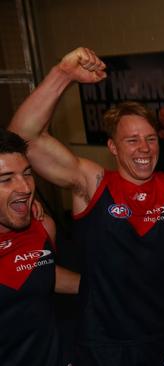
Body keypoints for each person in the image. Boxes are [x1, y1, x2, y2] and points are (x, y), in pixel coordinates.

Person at [9, 47, 164, 366]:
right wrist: (63, 74)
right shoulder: (92, 183)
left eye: (150, 139)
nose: (144, 148)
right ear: (113, 147)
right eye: (132, 140)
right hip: (102, 340)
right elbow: (23, 137)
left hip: (158, 334)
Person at [0, 128, 80, 366]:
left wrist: (103, 285)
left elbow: (39, 273)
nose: (25, 188)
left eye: (27, 174)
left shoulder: (42, 226)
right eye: (6, 179)